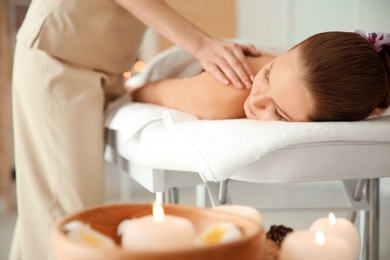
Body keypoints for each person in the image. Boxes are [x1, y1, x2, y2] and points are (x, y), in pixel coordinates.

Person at [10, 0, 262, 259]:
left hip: (104, 62)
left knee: (42, 215)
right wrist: (202, 45)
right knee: (66, 220)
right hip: (60, 53)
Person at [131, 31, 390, 122]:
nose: (254, 103)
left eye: (279, 113)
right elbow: (139, 91)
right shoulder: (222, 94)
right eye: (267, 74)